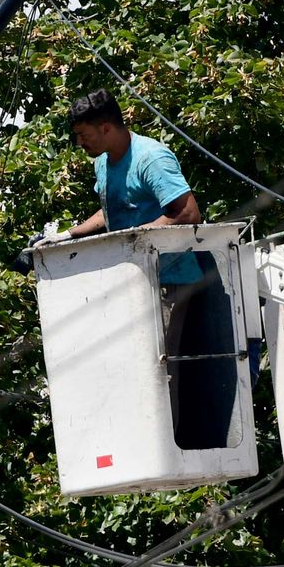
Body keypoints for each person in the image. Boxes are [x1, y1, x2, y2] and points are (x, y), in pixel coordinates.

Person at [62, 88, 206, 431]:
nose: (80, 144)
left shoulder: (151, 158)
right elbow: (115, 205)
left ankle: (163, 442)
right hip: (129, 279)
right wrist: (70, 234)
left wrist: (134, 237)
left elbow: (187, 214)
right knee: (125, 363)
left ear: (106, 128)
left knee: (157, 366)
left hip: (168, 281)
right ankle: (133, 433)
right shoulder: (103, 161)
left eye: (83, 135)